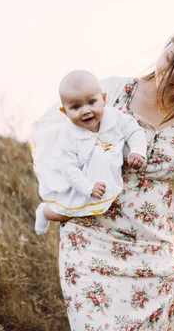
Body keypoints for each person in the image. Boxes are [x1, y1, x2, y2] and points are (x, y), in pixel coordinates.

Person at [58, 24, 174, 331]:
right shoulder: (109, 92)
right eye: (170, 62)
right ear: (166, 47)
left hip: (154, 251)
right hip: (93, 244)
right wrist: (59, 204)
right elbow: (59, 152)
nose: (172, 78)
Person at [31, 70, 147, 234]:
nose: (85, 110)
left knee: (111, 207)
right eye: (76, 107)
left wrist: (137, 151)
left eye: (92, 102)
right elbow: (68, 168)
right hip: (81, 180)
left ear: (104, 99)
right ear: (65, 111)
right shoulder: (68, 135)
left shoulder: (114, 117)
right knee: (67, 213)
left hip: (106, 175)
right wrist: (87, 187)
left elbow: (134, 131)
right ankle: (44, 212)